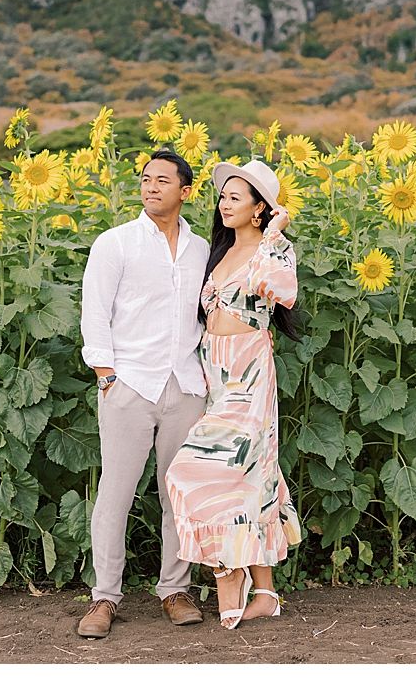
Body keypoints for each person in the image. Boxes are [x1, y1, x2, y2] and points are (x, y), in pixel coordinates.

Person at [76, 149, 210, 639]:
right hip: (129, 384)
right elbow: (95, 312)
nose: (151, 187)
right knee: (116, 493)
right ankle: (104, 598)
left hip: (185, 385)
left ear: (185, 191)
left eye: (162, 180)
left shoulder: (201, 249)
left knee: (179, 494)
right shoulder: (116, 243)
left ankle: (174, 590)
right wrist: (107, 374)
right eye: (145, 179)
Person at [165, 157, 302, 629]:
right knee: (249, 480)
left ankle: (229, 571)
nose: (224, 204)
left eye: (235, 198)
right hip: (216, 377)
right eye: (222, 196)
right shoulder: (219, 253)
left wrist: (275, 232)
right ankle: (263, 592)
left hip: (250, 374)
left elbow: (280, 290)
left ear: (260, 208)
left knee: (191, 472)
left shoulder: (274, 250)